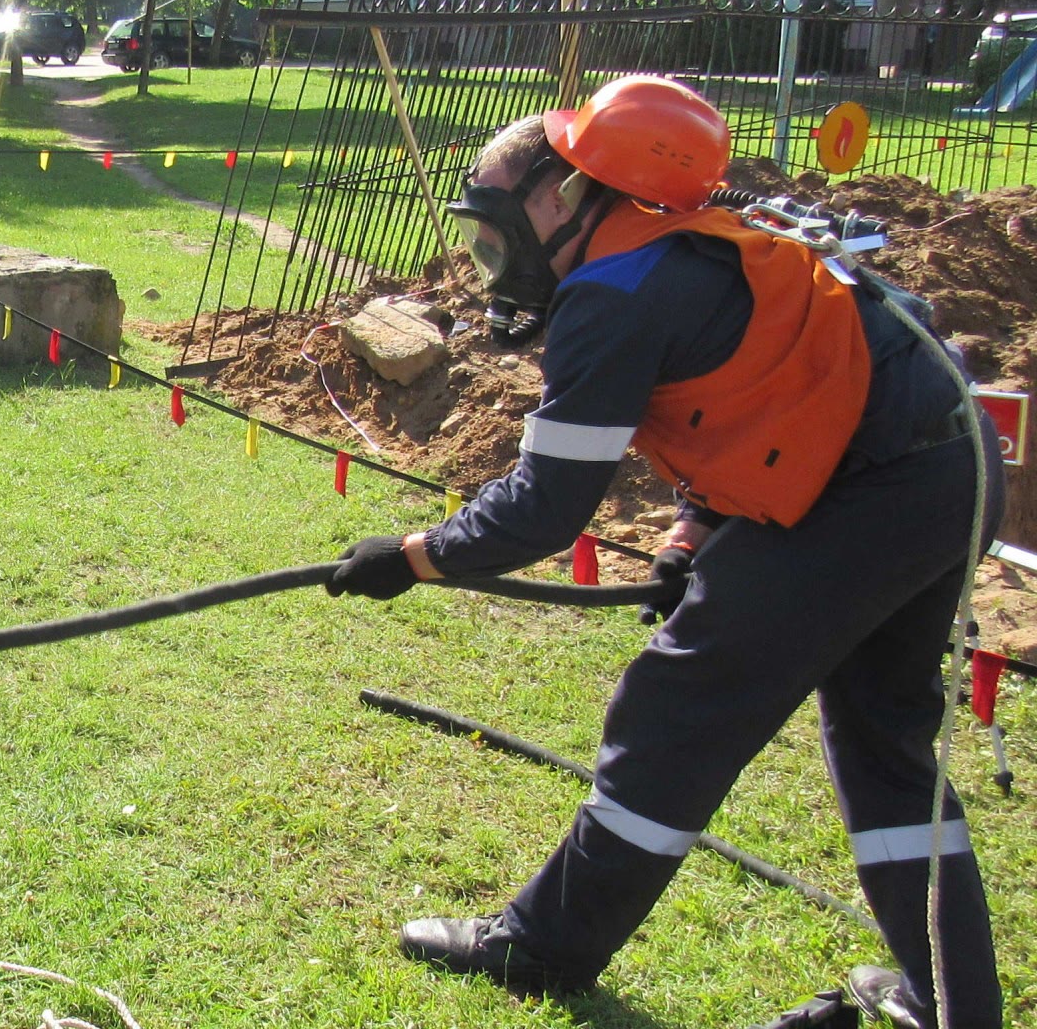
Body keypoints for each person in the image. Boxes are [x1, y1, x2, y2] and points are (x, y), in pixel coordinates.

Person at [327, 76, 1003, 1029]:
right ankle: (951, 1006)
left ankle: (543, 949)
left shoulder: (614, 290)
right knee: (886, 746)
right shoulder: (679, 249)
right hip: (955, 463)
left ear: (563, 197)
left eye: (494, 229)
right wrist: (696, 530)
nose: (488, 257)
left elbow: (545, 509)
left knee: (675, 708)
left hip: (874, 493)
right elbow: (751, 397)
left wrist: (413, 554)